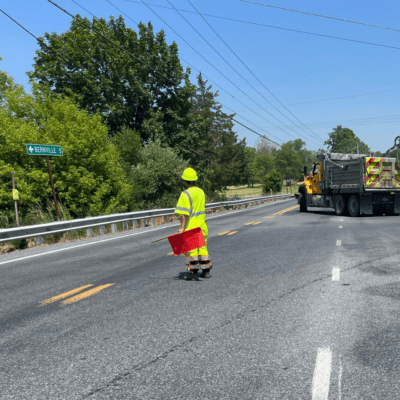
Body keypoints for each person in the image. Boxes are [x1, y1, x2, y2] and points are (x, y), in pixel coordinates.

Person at [175, 168, 212, 279]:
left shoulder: (185, 194)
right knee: (203, 249)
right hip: (202, 226)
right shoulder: (201, 192)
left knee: (192, 251)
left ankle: (193, 273)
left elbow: (184, 214)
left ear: (185, 180)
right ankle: (206, 271)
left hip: (191, 227)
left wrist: (182, 228)